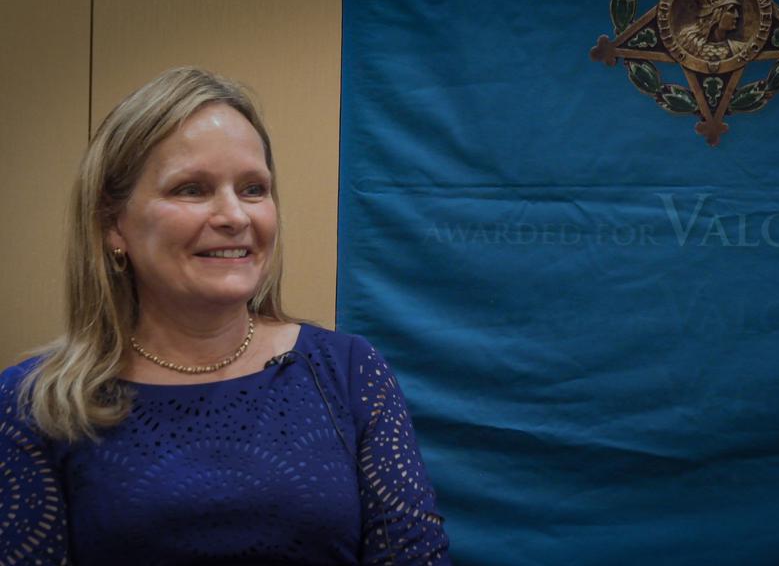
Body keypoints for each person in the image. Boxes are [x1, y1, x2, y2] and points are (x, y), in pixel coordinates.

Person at [1, 67, 450, 565]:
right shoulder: (34, 404)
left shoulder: (348, 372)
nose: (235, 216)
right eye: (192, 189)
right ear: (114, 224)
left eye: (254, 189)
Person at [677, 0, 747, 62]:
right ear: (716, 14)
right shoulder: (690, 45)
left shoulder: (739, 48)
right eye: (731, 10)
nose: (737, 15)